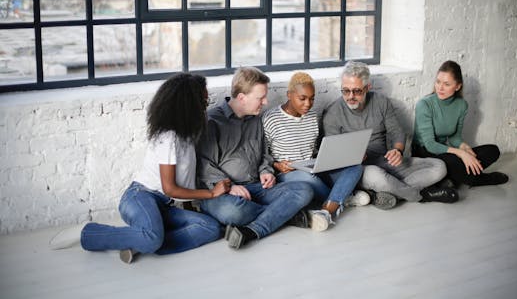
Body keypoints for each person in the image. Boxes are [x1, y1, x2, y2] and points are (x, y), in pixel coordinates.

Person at [49, 74, 229, 264]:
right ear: (186, 104)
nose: (205, 104)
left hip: (164, 206)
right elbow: (170, 189)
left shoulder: (188, 135)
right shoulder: (168, 138)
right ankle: (88, 232)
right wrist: (211, 194)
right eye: (203, 100)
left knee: (210, 227)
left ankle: (138, 244)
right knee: (152, 236)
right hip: (140, 197)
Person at [197, 67, 313, 249]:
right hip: (223, 193)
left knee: (304, 190)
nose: (266, 102)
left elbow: (263, 154)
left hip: (256, 188)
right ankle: (285, 215)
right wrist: (231, 186)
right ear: (242, 97)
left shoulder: (256, 120)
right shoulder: (212, 121)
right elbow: (204, 165)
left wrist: (266, 171)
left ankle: (253, 229)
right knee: (233, 211)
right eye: (261, 98)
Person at [323, 62, 458, 208]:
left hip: (386, 160)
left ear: (367, 88)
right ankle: (423, 195)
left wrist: (397, 151)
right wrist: (352, 158)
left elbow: (396, 131)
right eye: (345, 91)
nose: (350, 96)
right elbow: (333, 156)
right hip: (361, 170)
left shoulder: (380, 102)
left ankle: (386, 194)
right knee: (377, 176)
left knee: (439, 166)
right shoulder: (333, 113)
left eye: (357, 91)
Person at [262, 72, 369, 231]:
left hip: (314, 167)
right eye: (302, 98)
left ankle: (327, 209)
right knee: (307, 178)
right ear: (289, 95)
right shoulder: (271, 118)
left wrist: (335, 158)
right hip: (288, 173)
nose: (308, 104)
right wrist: (276, 165)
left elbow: (316, 149)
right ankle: (341, 198)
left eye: (312, 98)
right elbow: (262, 154)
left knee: (356, 167)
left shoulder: (311, 116)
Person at [412, 60, 509, 188]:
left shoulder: (462, 105)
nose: (440, 88)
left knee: (492, 150)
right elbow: (430, 145)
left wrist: (464, 147)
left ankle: (453, 178)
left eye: (446, 84)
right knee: (455, 161)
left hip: (444, 150)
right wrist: (461, 154)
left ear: (457, 86)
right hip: (425, 152)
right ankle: (479, 179)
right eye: (438, 82)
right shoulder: (424, 104)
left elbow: (454, 137)